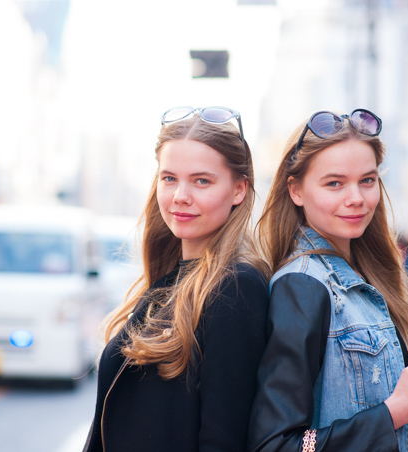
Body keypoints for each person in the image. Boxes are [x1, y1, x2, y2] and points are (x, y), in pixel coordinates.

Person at [248, 109, 408, 452]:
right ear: (296, 191)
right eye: (335, 183)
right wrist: (396, 412)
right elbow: (276, 444)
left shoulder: (374, 275)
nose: (357, 198)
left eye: (367, 180)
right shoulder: (301, 287)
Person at [83, 106, 270, 452]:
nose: (180, 195)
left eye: (202, 180)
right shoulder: (169, 282)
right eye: (169, 178)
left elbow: (223, 440)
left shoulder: (235, 287)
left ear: (239, 190)